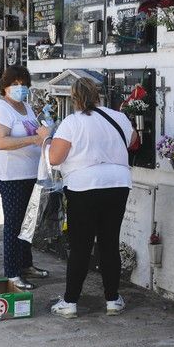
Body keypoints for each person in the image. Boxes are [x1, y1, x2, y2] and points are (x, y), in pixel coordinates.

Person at [48, 77, 136, 318]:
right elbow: (134, 140)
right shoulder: (118, 117)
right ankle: (112, 300)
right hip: (117, 183)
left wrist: (46, 139)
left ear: (74, 98)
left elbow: (55, 158)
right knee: (109, 242)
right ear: (98, 95)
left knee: (80, 246)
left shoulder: (72, 122)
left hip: (84, 187)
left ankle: (70, 302)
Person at [0, 65, 51, 290]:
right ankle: (12, 273)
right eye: (14, 84)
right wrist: (34, 140)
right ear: (4, 87)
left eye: (23, 84)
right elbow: (2, 142)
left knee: (28, 222)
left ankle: (26, 264)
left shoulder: (26, 107)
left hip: (30, 173)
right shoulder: (1, 109)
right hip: (11, 175)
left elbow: (35, 132)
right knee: (14, 224)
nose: (19, 88)